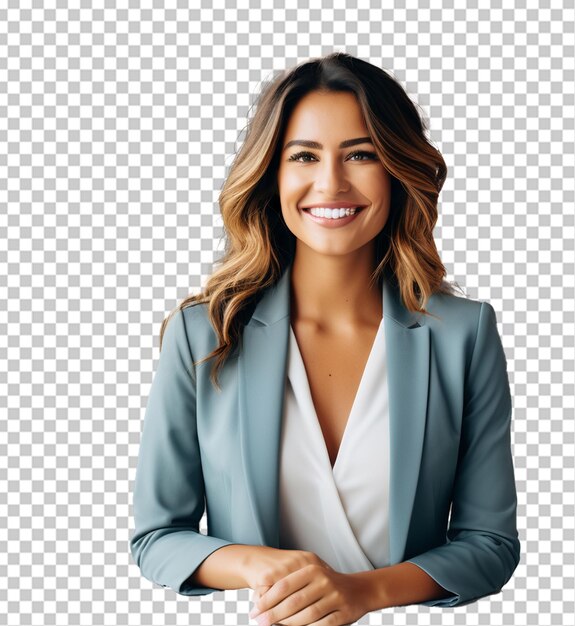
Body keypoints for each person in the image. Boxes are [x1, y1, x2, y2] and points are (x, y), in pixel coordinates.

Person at [129, 52, 520, 623]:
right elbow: (157, 538)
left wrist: (362, 593)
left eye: (360, 154)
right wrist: (256, 566)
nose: (330, 183)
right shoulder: (204, 334)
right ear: (273, 175)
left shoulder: (464, 334)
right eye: (304, 156)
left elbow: (490, 545)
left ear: (395, 168)